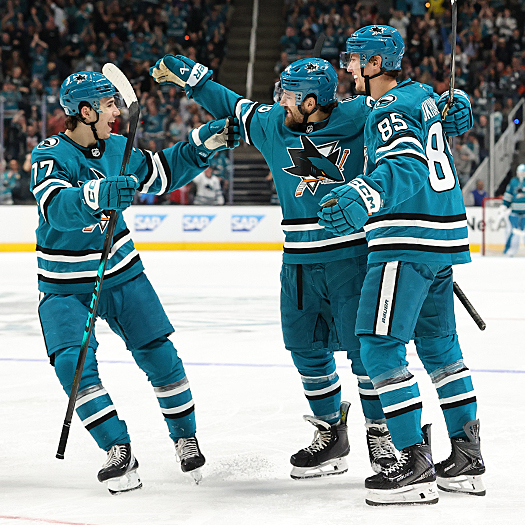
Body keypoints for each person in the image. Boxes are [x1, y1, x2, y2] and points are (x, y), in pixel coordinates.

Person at [149, 53, 472, 480]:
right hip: (298, 262)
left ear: (311, 101)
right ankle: (331, 433)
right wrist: (195, 79)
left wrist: (447, 104)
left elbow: (405, 102)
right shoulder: (272, 123)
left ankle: (381, 434)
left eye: (288, 94)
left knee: (365, 354)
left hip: (352, 258)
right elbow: (231, 105)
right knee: (306, 350)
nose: (279, 100)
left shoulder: (360, 113)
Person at [30, 71, 239, 494]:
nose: (117, 112)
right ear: (85, 111)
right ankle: (117, 447)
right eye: (109, 105)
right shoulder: (50, 153)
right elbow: (55, 205)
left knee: (160, 355)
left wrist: (201, 145)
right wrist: (96, 194)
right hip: (64, 283)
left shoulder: (118, 148)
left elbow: (162, 173)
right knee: (72, 365)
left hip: (122, 271)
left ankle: (185, 438)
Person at [319, 25, 485, 506]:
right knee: (441, 350)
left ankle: (414, 463)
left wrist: (365, 193)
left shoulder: (389, 108)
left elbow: (407, 165)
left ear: (375, 64)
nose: (348, 67)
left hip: (405, 239)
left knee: (378, 344)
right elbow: (436, 120)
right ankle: (467, 458)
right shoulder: (421, 96)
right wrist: (456, 102)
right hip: (439, 238)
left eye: (354, 59)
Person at [500, 163, 525, 256]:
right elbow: (508, 194)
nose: (521, 174)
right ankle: (509, 251)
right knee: (512, 232)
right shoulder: (513, 181)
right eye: (519, 172)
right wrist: (504, 205)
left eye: (522, 172)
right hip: (514, 212)